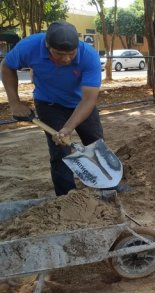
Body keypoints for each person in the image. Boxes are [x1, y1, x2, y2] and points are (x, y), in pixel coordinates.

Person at [1, 20, 105, 196]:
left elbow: (89, 99)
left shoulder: (89, 56)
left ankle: (107, 186)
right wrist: (14, 102)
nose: (65, 59)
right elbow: (6, 66)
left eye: (71, 54)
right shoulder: (30, 46)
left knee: (96, 144)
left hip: (80, 104)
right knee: (60, 151)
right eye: (58, 54)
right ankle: (66, 197)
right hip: (49, 104)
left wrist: (68, 128)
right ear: (47, 45)